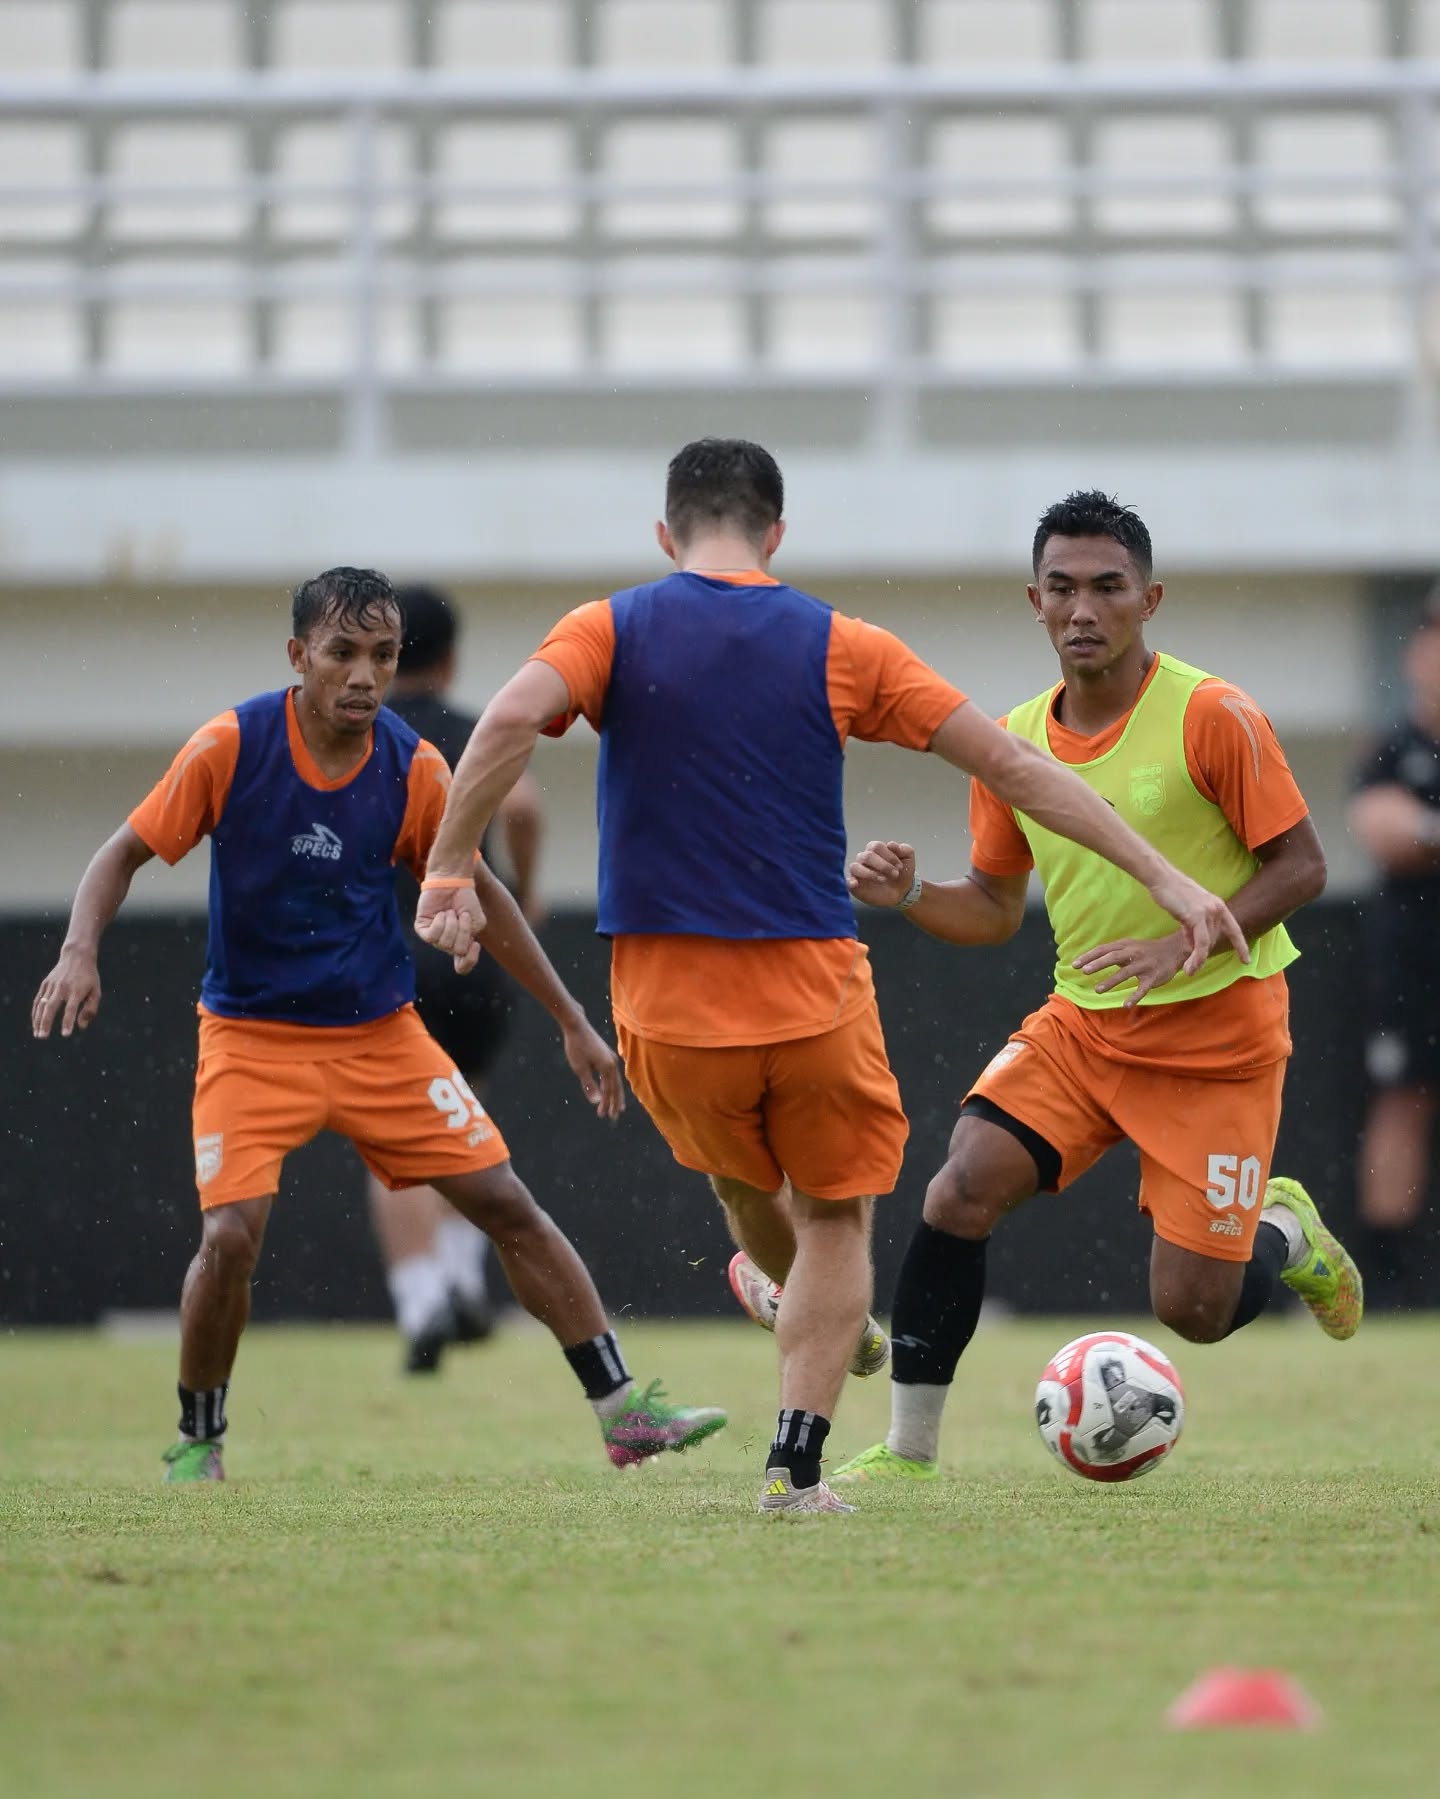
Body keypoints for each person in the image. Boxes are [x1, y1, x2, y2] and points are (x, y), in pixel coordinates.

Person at [410, 442, 1248, 1516]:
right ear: (777, 533)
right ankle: (795, 1471)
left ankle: (807, 1306)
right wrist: (1167, 877)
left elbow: (511, 721)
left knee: (742, 1190)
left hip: (663, 993)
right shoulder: (839, 643)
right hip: (807, 981)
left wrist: (447, 867)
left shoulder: (608, 627)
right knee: (838, 1221)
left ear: (667, 535)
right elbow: (1015, 767)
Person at [30, 566, 725, 1482]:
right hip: (251, 1037)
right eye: (344, 653)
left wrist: (571, 1019)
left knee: (508, 1204)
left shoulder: (414, 766)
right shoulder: (231, 746)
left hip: (379, 1036)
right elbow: (120, 853)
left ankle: (623, 1411)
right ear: (298, 656)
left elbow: (488, 893)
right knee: (230, 1236)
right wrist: (80, 948)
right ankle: (199, 1438)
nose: (365, 675)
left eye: (384, 656)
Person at [829, 490, 1362, 1488]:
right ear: (1034, 600)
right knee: (959, 1186)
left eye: (1107, 586)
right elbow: (991, 908)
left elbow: (1302, 866)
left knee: (1195, 1312)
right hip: (1085, 1026)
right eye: (1063, 587)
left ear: (1148, 598)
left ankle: (1284, 1231)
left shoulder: (1214, 715)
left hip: (1220, 1039)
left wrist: (1192, 943)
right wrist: (911, 894)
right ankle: (909, 1452)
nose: (1084, 607)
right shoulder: (1011, 741)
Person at [374, 583, 547, 1372]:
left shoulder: (365, 736)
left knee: (390, 1139)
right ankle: (459, 1278)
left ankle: (420, 1302)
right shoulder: (472, 730)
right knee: (457, 1114)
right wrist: (528, 890)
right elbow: (526, 808)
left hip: (385, 955)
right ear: (450, 658)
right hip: (469, 950)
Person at [1349, 596, 1440, 1306]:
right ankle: (1389, 1280)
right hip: (1412, 962)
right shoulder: (1391, 747)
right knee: (1402, 1101)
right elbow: (1386, 832)